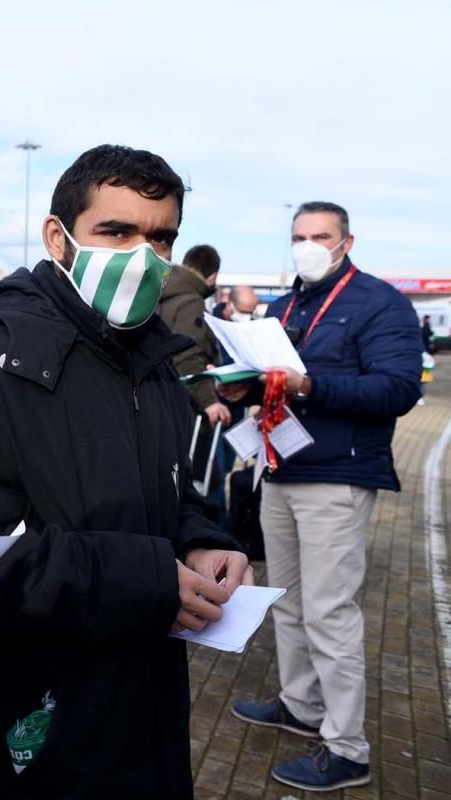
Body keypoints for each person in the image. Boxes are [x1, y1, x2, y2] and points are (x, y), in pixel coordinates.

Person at [0, 144, 251, 799]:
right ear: (58, 237)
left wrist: (204, 538)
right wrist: (144, 578)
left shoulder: (154, 364)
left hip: (137, 709)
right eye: (116, 232)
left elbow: (167, 495)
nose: (142, 255)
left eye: (160, 237)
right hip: (19, 734)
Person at [227, 201, 423, 792]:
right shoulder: (285, 305)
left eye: (320, 236)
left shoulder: (380, 303)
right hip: (280, 469)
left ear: (346, 241)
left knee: (330, 611)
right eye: (298, 236)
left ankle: (347, 748)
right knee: (285, 600)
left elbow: (398, 388)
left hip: (337, 476)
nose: (307, 245)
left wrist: (310, 384)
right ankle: (300, 705)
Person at [160, 244, 231, 428]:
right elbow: (187, 354)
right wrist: (209, 401)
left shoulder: (166, 293)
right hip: (185, 407)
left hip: (162, 402)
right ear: (213, 276)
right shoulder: (192, 302)